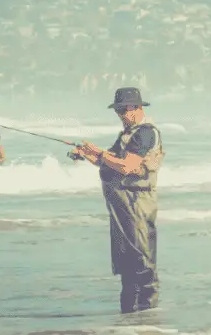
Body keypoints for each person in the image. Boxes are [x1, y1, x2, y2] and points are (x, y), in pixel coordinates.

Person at [69, 87, 166, 314]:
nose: (121, 115)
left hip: (137, 204)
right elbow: (110, 162)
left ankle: (147, 317)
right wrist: (86, 154)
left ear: (138, 107)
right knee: (126, 264)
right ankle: (130, 317)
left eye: (124, 110)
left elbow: (128, 165)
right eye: (118, 110)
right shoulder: (127, 134)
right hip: (122, 205)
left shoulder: (145, 133)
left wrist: (100, 153)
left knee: (142, 262)